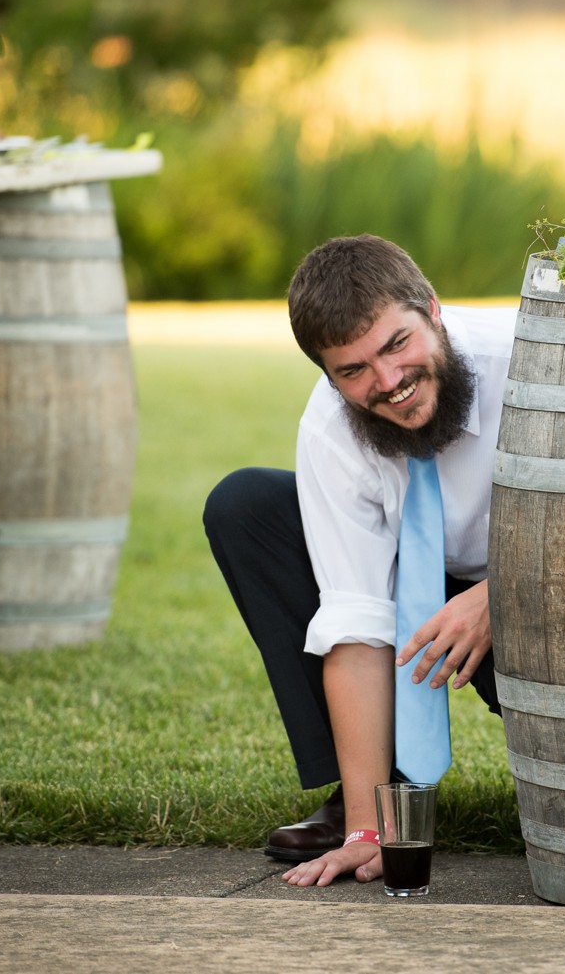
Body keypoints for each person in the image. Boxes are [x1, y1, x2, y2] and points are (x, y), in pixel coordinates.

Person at [203, 235, 516, 887]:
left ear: (432, 310)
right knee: (247, 507)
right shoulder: (330, 429)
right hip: (419, 578)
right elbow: (354, 618)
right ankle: (373, 795)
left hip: (542, 589)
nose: (389, 383)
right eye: (353, 371)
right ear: (327, 374)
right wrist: (367, 828)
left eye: (397, 344)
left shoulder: (524, 362)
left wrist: (504, 595)